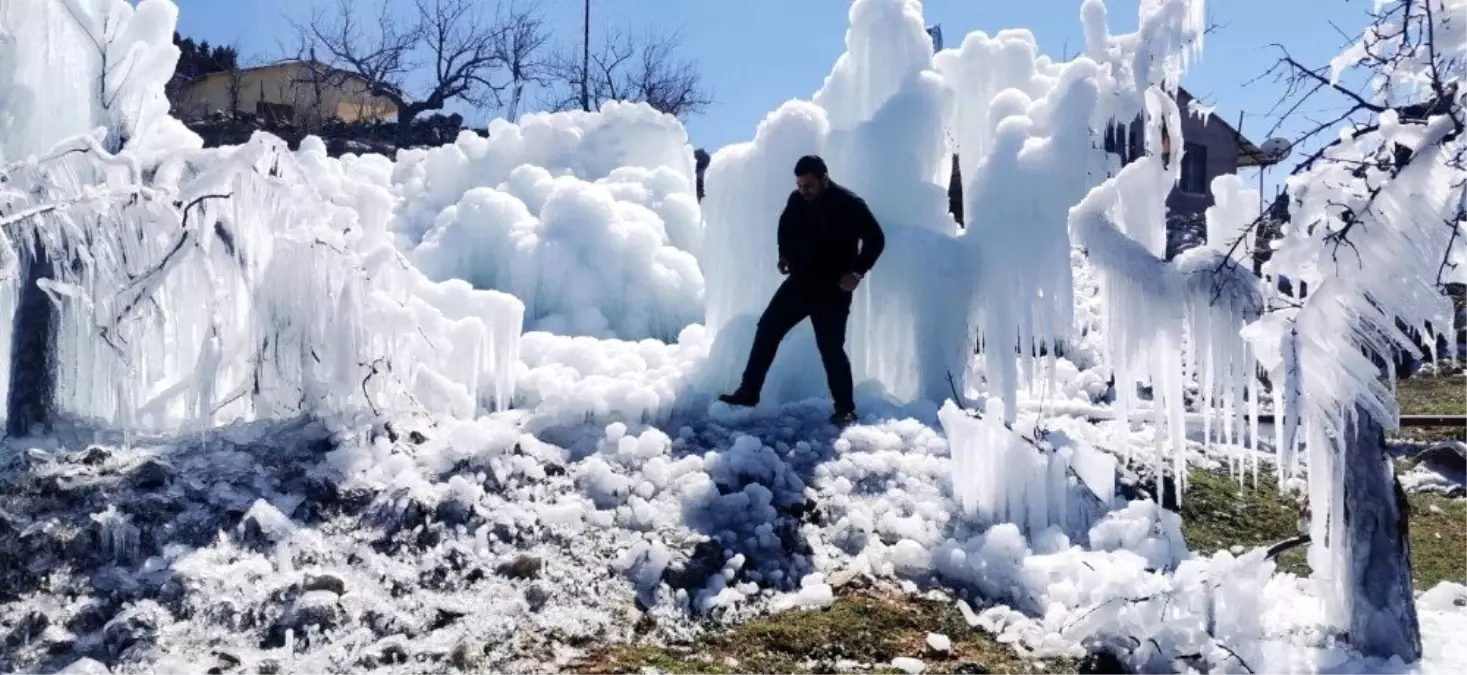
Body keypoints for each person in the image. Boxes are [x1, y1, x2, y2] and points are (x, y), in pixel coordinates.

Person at [718, 155, 886, 425]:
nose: (803, 190)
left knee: (831, 348)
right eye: (799, 185)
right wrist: (784, 255)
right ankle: (749, 392)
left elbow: (876, 239)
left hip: (833, 289)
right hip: (801, 283)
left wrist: (857, 272)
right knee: (767, 329)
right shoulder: (796, 200)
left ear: (825, 178)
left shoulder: (850, 204)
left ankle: (845, 409)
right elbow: (784, 227)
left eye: (809, 185)